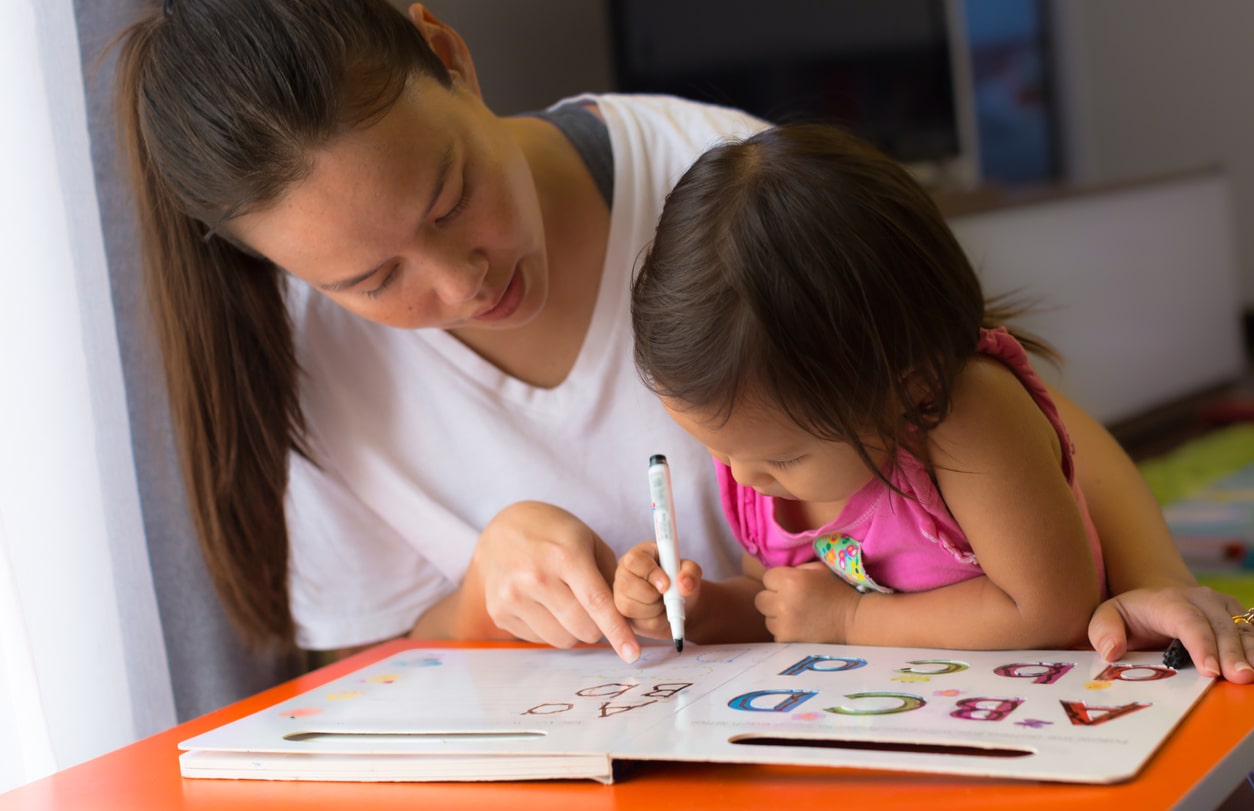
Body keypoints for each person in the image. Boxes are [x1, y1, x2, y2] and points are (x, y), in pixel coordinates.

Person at [113, 0, 1253, 680]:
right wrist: (483, 597)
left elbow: (1004, 413)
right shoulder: (306, 368)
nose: (460, 281)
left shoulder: (723, 191)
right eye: (371, 278)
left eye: (452, 197)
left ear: (450, 56)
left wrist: (1154, 585)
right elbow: (383, 676)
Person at [619, 121, 1109, 650]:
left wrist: (851, 622)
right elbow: (784, 609)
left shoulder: (962, 415)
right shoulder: (755, 454)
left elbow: (1051, 610)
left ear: (907, 386)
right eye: (715, 449)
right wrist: (698, 609)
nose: (743, 476)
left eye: (784, 459)